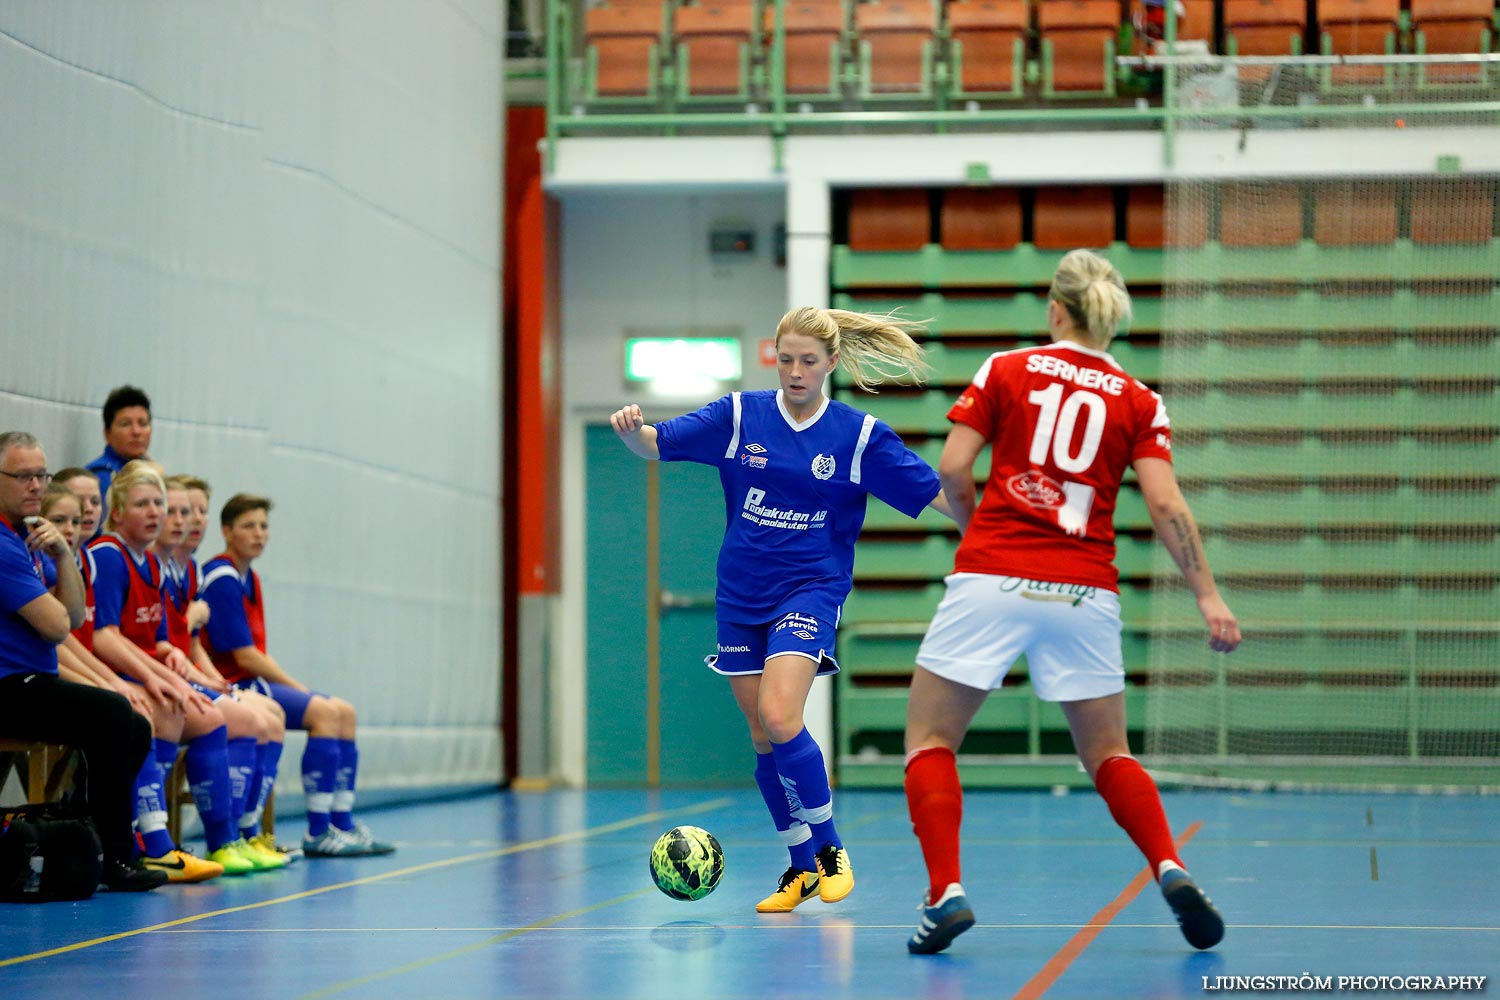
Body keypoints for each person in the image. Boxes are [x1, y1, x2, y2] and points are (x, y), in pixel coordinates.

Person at [901, 249, 1241, 955]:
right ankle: (1170, 865)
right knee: (1108, 753)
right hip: (1085, 587)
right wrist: (1207, 594)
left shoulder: (1006, 369)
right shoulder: (1140, 399)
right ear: (1111, 320)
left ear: (1056, 310)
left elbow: (954, 469)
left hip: (993, 575)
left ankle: (947, 893)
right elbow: (1165, 501)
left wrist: (977, 533)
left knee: (931, 742)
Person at [609, 306, 952, 913]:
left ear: (832, 364)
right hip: (741, 595)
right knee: (761, 734)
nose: (796, 371)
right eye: (786, 359)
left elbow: (935, 494)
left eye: (809, 361)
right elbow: (656, 446)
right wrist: (633, 433)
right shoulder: (741, 416)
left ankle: (828, 851)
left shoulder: (858, 436)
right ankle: (798, 868)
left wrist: (999, 527)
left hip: (810, 589)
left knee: (780, 713)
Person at [0, 431, 167, 892]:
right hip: (9, 685)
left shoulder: (28, 537)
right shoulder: (1, 544)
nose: (35, 485)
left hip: (33, 679)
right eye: (23, 476)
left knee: (136, 726)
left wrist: (61, 554)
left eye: (42, 475)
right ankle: (116, 855)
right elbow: (56, 627)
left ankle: (80, 828)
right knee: (113, 713)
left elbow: (72, 614)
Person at [200, 493, 394, 858]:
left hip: (254, 683)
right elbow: (245, 656)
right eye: (248, 526)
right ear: (226, 531)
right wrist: (296, 687)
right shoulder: (223, 578)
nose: (258, 534)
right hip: (237, 685)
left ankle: (342, 823)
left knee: (345, 712)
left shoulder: (248, 577)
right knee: (324, 712)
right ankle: (318, 831)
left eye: (263, 526)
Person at [88, 461, 250, 879]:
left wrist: (172, 661)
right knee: (161, 709)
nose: (156, 512)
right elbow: (103, 636)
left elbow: (154, 638)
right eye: (143, 504)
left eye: (159, 503)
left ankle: (223, 838)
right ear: (118, 511)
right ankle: (154, 842)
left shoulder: (152, 564)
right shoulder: (108, 555)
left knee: (208, 717)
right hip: (107, 674)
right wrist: (161, 677)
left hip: (137, 671)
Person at [163, 474, 292, 864]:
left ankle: (245, 832)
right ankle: (222, 837)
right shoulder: (201, 574)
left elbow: (190, 646)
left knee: (270, 717)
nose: (192, 520)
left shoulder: (187, 573)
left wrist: (207, 678)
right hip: (158, 682)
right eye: (182, 511)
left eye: (198, 511)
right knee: (247, 719)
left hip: (184, 677)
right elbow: (159, 642)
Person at [85, 385, 153, 501]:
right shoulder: (101, 475)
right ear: (107, 433)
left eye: (143, 424)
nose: (136, 432)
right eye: (125, 424)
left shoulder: (148, 467)